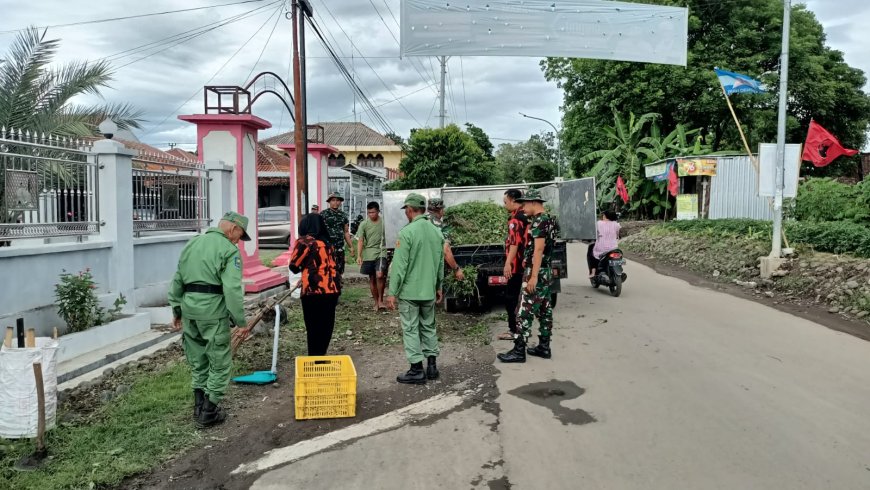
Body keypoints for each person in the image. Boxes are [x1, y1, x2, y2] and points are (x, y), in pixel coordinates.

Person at [168, 211, 250, 429]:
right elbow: (232, 289)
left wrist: (177, 309)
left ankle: (198, 405)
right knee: (219, 361)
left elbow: (178, 278)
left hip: (189, 310)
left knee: (198, 359)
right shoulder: (228, 250)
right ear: (233, 229)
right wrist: (241, 322)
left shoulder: (192, 244)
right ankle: (209, 411)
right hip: (212, 312)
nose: (238, 241)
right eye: (240, 236)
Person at [386, 193, 445, 385]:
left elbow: (399, 267)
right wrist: (438, 286)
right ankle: (432, 367)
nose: (406, 214)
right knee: (428, 326)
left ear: (410, 210)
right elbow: (439, 264)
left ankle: (416, 370)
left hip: (410, 292)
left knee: (411, 329)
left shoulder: (406, 233)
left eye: (406, 211)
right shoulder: (436, 232)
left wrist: (392, 292)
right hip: (428, 289)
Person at [497, 189, 559, 363]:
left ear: (534, 202)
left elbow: (538, 250)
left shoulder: (539, 222)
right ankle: (544, 346)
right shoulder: (551, 220)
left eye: (525, 204)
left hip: (536, 271)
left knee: (523, 312)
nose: (523, 207)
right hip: (546, 271)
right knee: (545, 310)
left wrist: (533, 276)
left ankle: (518, 351)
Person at [289, 213, 340, 356]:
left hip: (313, 291)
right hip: (332, 290)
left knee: (313, 326)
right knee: (326, 325)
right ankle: (321, 355)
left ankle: (314, 358)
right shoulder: (328, 243)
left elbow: (293, 266)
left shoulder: (305, 241)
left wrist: (305, 272)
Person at [499, 189, 529, 341]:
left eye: (505, 202)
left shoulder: (516, 220)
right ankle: (519, 328)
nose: (504, 205)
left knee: (511, 299)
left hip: (517, 266)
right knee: (520, 298)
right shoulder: (526, 216)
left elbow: (515, 244)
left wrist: (508, 264)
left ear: (512, 199)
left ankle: (514, 330)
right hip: (525, 264)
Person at [356, 202, 388, 311]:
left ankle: (381, 300)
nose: (371, 214)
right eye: (369, 212)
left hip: (381, 251)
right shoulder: (364, 224)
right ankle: (376, 302)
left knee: (380, 275)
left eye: (373, 212)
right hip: (369, 253)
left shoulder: (384, 222)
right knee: (372, 278)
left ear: (378, 211)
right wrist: (359, 256)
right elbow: (360, 240)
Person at [426, 198, 465, 281]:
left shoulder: (415, 223)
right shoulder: (442, 227)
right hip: (430, 270)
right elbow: (445, 250)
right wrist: (456, 269)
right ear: (440, 210)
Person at [321, 192, 354, 286]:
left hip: (339, 247)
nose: (336, 202)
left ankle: (337, 289)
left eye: (338, 200)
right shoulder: (323, 214)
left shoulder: (343, 215)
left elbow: (346, 232)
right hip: (327, 247)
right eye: (333, 200)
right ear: (329, 202)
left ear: (340, 202)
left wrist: (351, 246)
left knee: (339, 269)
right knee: (327, 269)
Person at [588, 210, 621, 278]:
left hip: (601, 247)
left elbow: (594, 233)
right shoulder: (616, 224)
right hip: (613, 248)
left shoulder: (599, 223)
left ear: (605, 216)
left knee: (592, 254)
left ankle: (593, 273)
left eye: (603, 215)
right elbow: (617, 235)